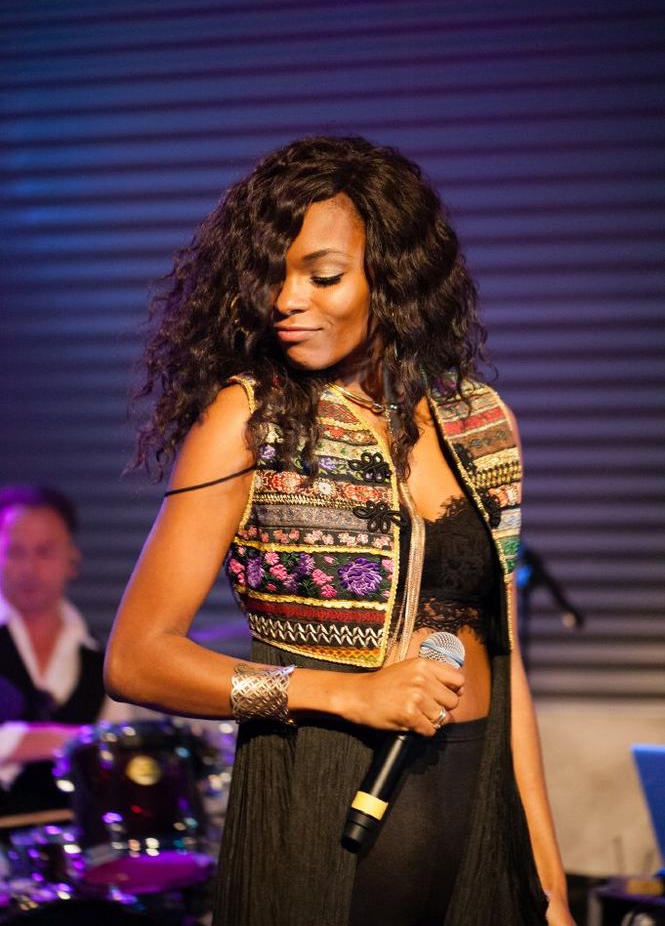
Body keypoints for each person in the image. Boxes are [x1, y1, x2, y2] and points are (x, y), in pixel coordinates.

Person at [105, 136, 574, 926]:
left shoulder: (480, 422)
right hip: (323, 796)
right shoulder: (249, 421)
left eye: (322, 276)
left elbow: (505, 659)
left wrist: (548, 880)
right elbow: (136, 658)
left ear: (394, 276)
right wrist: (345, 694)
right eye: (274, 276)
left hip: (476, 806)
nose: (287, 300)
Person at [0, 485, 132, 817]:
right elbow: (99, 740)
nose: (29, 568)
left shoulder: (102, 659)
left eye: (44, 552)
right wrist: (70, 738)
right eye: (14, 551)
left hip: (72, 842)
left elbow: (114, 756)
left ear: (72, 559)